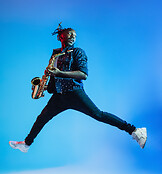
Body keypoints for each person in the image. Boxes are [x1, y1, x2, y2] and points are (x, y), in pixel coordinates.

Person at [9, 24, 147, 153]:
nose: (72, 37)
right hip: (58, 96)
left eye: (74, 35)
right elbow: (54, 76)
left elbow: (83, 74)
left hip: (74, 93)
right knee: (41, 119)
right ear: (60, 37)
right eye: (69, 35)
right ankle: (26, 144)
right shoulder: (55, 54)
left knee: (98, 115)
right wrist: (44, 86)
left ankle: (135, 130)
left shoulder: (78, 52)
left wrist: (59, 73)